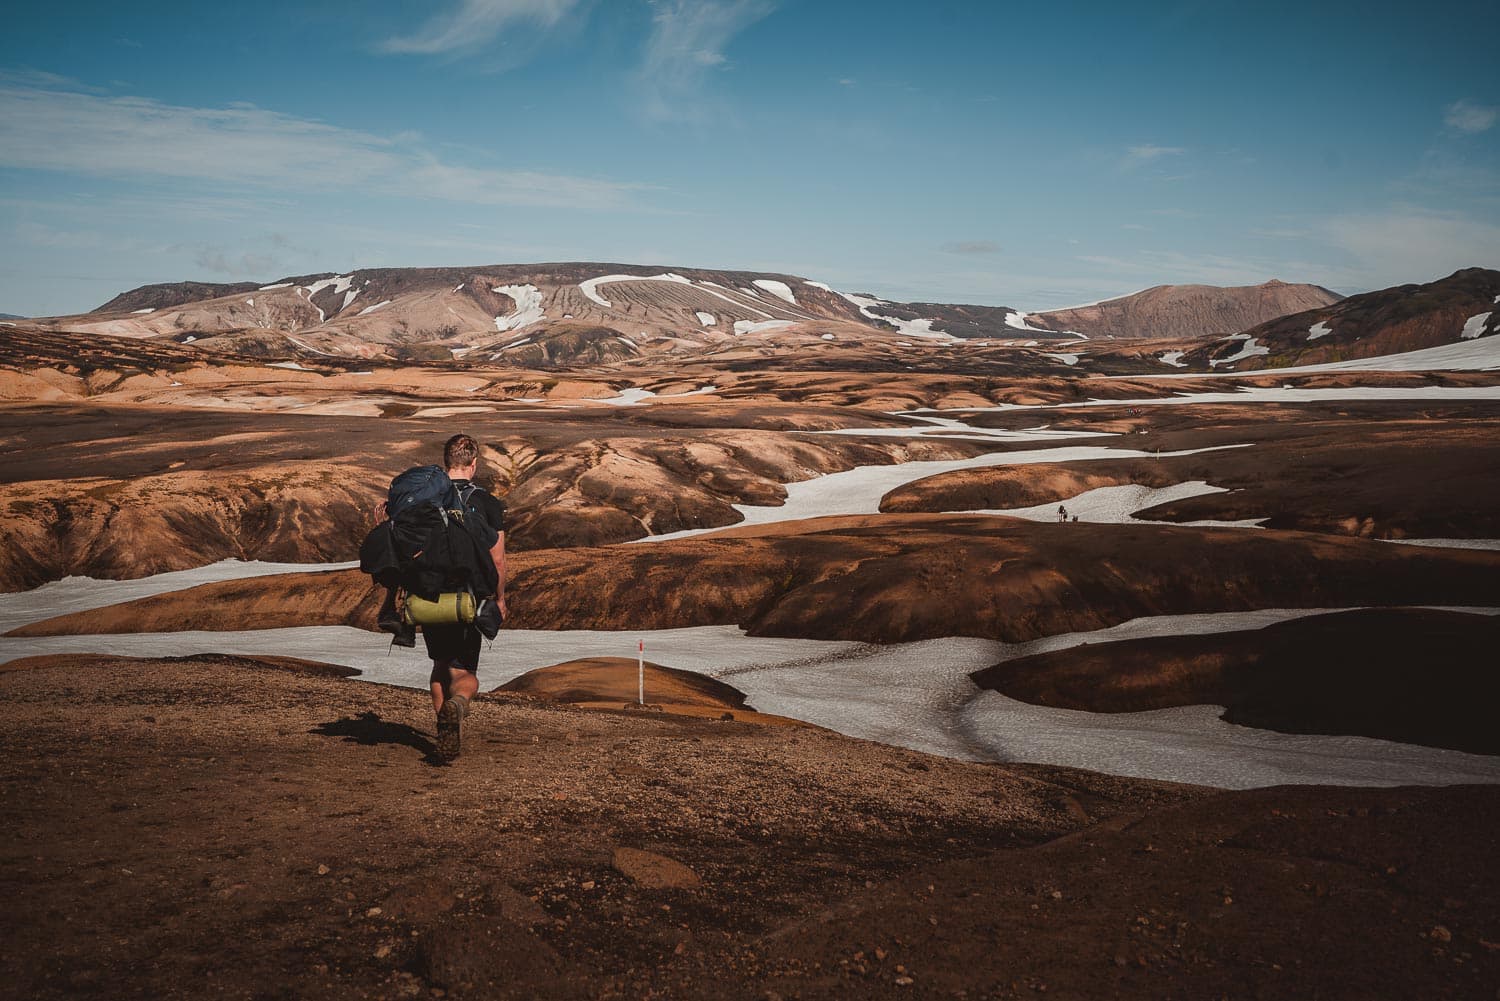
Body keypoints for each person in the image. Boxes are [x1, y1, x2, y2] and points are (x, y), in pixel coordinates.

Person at [425, 433, 507, 760]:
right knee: (464, 674)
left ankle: (445, 732)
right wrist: (499, 599)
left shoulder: (426, 498)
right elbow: (498, 559)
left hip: (429, 597)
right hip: (469, 599)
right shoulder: (487, 503)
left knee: (439, 665)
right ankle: (457, 706)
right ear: (473, 464)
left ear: (447, 462)